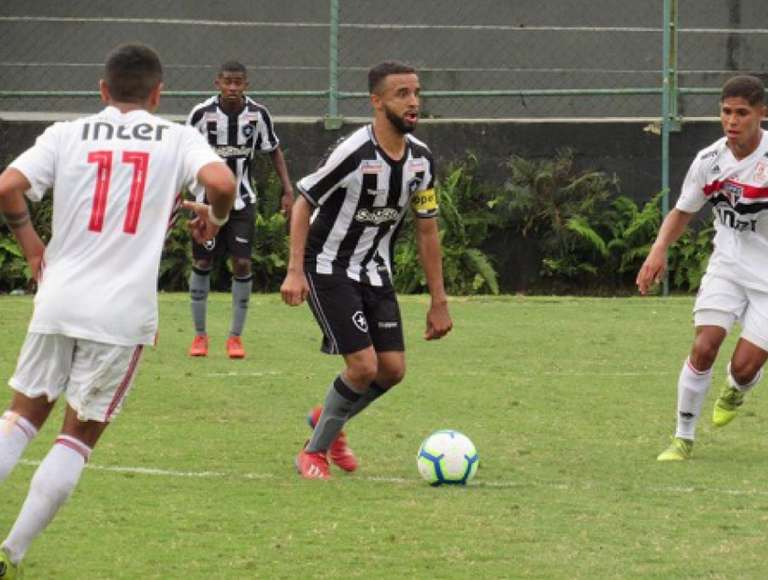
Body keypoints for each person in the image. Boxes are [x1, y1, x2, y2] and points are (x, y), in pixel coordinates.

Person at [0, 43, 235, 577]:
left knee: (18, 420)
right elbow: (221, 184)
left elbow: (8, 187)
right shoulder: (178, 137)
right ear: (157, 94)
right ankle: (9, 552)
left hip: (58, 298)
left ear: (103, 91)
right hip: (120, 314)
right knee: (74, 437)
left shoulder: (66, 133)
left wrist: (32, 246)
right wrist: (214, 221)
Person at [280, 61, 453, 480]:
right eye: (402, 94)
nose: (413, 102)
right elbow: (304, 202)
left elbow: (427, 231)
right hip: (328, 267)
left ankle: (328, 418)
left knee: (392, 370)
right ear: (377, 102)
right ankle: (314, 453)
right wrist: (294, 271)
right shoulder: (353, 152)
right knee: (362, 367)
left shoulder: (422, 161)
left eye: (416, 92)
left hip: (375, 271)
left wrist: (439, 300)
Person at [637, 75, 768, 461]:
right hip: (727, 268)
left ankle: (738, 387)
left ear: (761, 114)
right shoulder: (709, 161)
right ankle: (683, 438)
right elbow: (682, 211)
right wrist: (657, 250)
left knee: (743, 368)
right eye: (726, 112)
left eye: (742, 113)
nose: (732, 121)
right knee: (703, 346)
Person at [186, 61, 294, 359]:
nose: (232, 88)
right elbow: (182, 154)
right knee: (204, 263)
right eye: (227, 82)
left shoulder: (258, 115)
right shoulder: (201, 114)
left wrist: (287, 190)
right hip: (205, 201)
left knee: (243, 263)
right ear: (217, 83)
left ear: (247, 84)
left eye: (238, 82)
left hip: (242, 201)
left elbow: (273, 151)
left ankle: (235, 337)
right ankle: (199, 336)